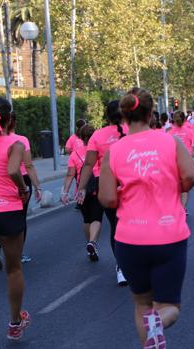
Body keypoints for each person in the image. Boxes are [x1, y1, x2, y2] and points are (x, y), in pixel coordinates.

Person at [99, 87, 194, 349]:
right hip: (168, 235)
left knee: (141, 302)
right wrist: (175, 187)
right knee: (170, 307)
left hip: (129, 239)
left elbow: (107, 199)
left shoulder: (114, 152)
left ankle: (150, 339)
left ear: (123, 116)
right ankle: (159, 321)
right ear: (152, 113)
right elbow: (191, 176)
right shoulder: (171, 142)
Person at [0, 97, 31, 340]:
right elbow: (14, 170)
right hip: (7, 210)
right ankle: (15, 324)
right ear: (8, 119)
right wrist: (22, 190)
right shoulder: (14, 143)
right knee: (13, 269)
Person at [76, 100, 128, 286]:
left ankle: (121, 267)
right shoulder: (134, 130)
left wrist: (81, 188)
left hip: (105, 185)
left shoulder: (97, 135)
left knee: (117, 226)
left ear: (106, 116)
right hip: (132, 184)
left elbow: (88, 164)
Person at [61, 124, 101, 262]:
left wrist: (64, 192)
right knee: (97, 217)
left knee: (87, 219)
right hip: (97, 185)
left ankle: (90, 246)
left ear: (81, 138)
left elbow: (70, 174)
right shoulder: (98, 150)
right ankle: (93, 242)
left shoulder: (75, 153)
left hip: (81, 188)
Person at [7, 114, 43, 263]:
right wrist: (37, 187)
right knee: (20, 218)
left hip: (0, 180)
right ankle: (18, 253)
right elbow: (28, 165)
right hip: (21, 179)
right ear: (14, 123)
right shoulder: (21, 140)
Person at [168, 111, 194, 213]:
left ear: (173, 120)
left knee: (175, 186)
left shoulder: (169, 133)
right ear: (184, 119)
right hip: (186, 162)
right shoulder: (189, 131)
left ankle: (177, 207)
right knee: (185, 187)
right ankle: (183, 208)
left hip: (173, 161)